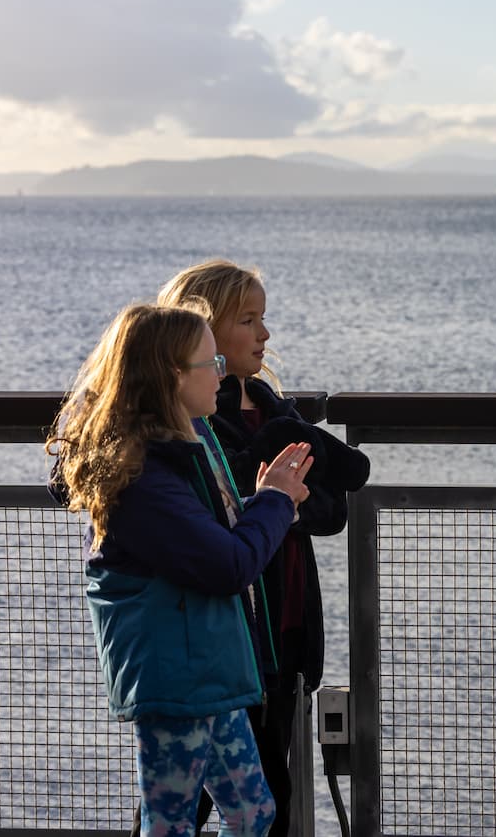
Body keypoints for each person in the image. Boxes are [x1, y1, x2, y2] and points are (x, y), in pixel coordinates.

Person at [47, 304, 314, 836]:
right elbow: (227, 565)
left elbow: (203, 542)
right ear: (172, 376)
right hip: (177, 681)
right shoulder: (143, 480)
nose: (220, 373)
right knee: (169, 824)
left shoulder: (181, 451)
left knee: (253, 812)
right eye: (208, 361)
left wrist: (263, 500)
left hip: (204, 672)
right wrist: (275, 502)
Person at [156, 260, 371, 835]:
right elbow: (215, 510)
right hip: (229, 633)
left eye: (263, 319)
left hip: (286, 629)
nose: (265, 334)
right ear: (201, 332)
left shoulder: (278, 409)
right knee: (203, 800)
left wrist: (282, 502)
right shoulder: (192, 419)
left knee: (243, 792)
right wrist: (275, 497)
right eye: (248, 320)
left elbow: (332, 510)